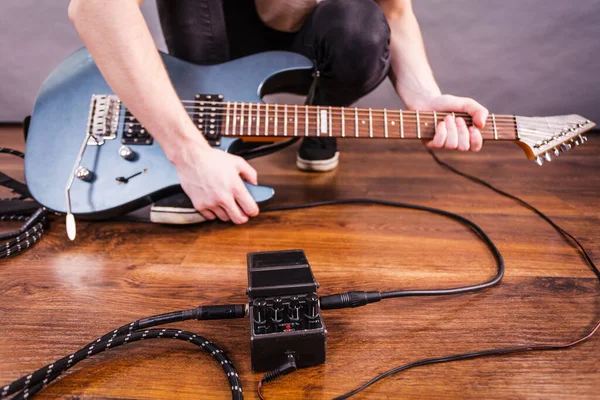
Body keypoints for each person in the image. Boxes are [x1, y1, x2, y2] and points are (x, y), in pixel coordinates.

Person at [68, 0, 489, 225]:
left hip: (312, 39)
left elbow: (396, 11)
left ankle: (322, 117)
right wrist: (188, 153)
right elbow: (96, 7)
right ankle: (203, 142)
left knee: (359, 27)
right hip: (219, 29)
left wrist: (424, 95)